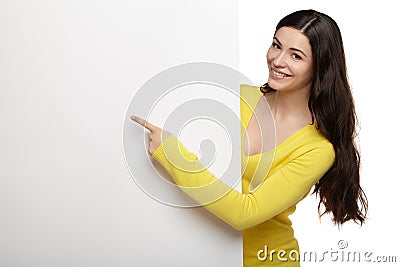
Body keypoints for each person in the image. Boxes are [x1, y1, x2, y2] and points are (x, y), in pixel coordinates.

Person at [131, 9, 368, 266]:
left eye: (296, 56)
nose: (278, 60)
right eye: (276, 45)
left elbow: (246, 212)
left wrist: (172, 154)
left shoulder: (317, 149)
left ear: (320, 67)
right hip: (205, 252)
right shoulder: (236, 96)